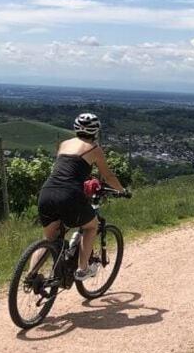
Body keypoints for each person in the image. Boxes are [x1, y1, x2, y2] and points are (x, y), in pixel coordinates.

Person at [37, 112, 127, 279]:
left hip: (47, 192)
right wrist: (122, 190)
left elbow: (68, 169)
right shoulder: (94, 148)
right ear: (95, 132)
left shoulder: (63, 144)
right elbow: (108, 176)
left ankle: (31, 276)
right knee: (92, 226)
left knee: (49, 240)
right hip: (69, 194)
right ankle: (82, 269)